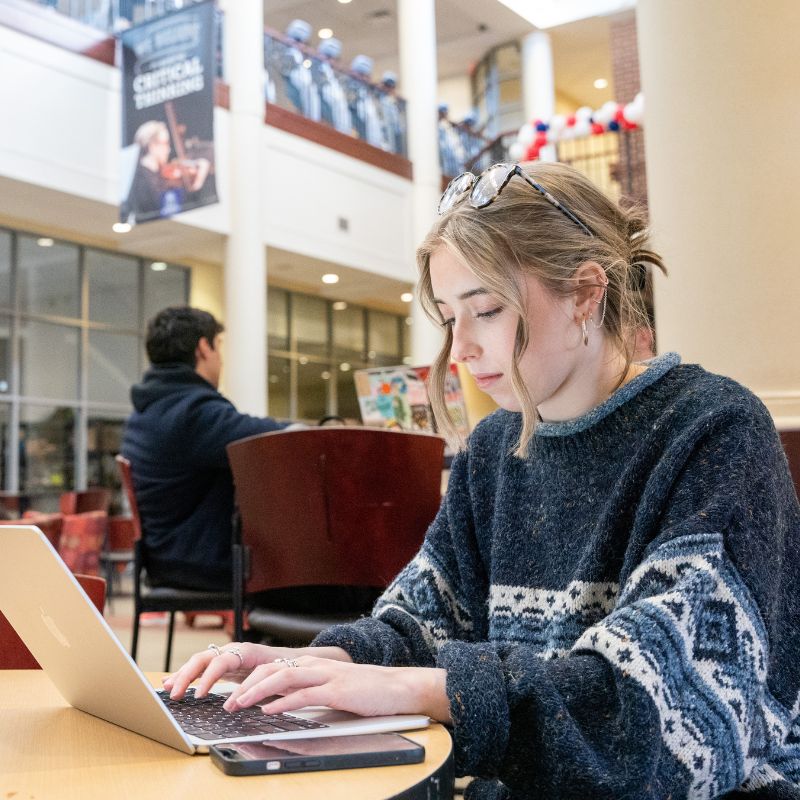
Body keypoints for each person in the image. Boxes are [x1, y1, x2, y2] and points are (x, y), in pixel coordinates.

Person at [164, 163, 800, 798]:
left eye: (487, 310)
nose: (461, 347)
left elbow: (667, 728)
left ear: (585, 293)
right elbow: (427, 617)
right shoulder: (496, 444)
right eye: (448, 317)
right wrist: (325, 662)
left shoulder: (713, 431)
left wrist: (430, 689)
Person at [121, 306, 290, 591]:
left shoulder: (148, 409)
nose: (221, 360)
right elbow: (271, 437)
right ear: (203, 347)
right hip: (199, 560)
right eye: (219, 348)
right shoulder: (192, 410)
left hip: (169, 556)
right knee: (335, 580)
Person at [122, 120, 211, 225]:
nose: (168, 149)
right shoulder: (143, 181)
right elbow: (165, 208)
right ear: (152, 146)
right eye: (165, 143)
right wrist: (199, 181)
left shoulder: (155, 176)